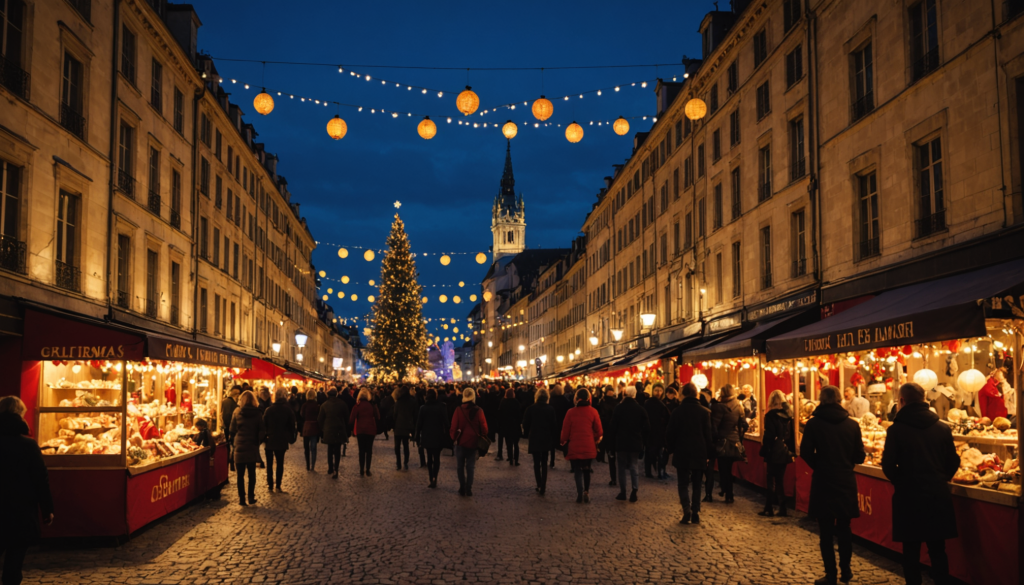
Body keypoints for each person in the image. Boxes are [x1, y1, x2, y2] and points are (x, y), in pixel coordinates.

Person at [882, 383, 961, 585]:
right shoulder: (942, 428)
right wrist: (939, 478)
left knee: (911, 552)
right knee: (938, 550)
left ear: (901, 401)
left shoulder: (896, 430)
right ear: (924, 399)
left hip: (908, 497)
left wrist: (902, 482)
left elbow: (888, 466)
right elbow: (953, 462)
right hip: (936, 495)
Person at [800, 385, 866, 585]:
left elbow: (804, 452)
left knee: (826, 531)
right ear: (839, 400)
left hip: (823, 481)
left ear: (821, 399)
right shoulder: (852, 425)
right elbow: (860, 456)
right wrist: (846, 464)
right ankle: (846, 571)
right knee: (845, 529)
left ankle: (831, 574)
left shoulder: (814, 424)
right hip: (845, 481)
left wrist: (819, 465)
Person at [0, 396, 54, 585]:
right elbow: (41, 479)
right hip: (20, 511)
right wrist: (47, 509)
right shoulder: (28, 446)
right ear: (20, 415)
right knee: (14, 563)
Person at [665, 383, 712, 524]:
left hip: (682, 451)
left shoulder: (677, 412)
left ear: (683, 394)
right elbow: (708, 436)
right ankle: (696, 511)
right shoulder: (704, 412)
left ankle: (686, 509)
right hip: (699, 452)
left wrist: (671, 449)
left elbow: (670, 433)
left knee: (683, 483)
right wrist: (708, 454)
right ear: (696, 394)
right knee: (697, 484)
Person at [560, 388, 603, 504]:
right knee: (587, 470)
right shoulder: (593, 412)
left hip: (575, 446)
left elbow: (565, 432)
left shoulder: (570, 412)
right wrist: (593, 438)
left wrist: (563, 441)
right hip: (589, 446)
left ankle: (579, 492)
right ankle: (586, 491)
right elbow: (599, 431)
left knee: (577, 470)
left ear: (576, 398)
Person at [759, 390, 795, 517]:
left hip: (773, 450)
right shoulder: (788, 415)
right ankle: (782, 508)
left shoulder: (770, 416)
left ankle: (769, 507)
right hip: (784, 450)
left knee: (770, 480)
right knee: (780, 481)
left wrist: (765, 450)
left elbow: (769, 435)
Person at [709, 384, 747, 504]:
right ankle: (727, 491)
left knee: (723, 469)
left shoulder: (720, 407)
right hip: (734, 441)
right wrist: (739, 436)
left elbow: (714, 426)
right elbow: (744, 424)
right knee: (728, 469)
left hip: (723, 441)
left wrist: (715, 438)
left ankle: (728, 493)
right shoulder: (738, 405)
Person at [612, 385, 651, 503]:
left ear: (624, 394)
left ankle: (623, 492)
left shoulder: (619, 408)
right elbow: (647, 428)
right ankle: (634, 489)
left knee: (621, 467)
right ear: (634, 395)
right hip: (635, 441)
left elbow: (612, 426)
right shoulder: (640, 409)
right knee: (634, 466)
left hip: (621, 442)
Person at [230, 390, 266, 506]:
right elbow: (262, 430)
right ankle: (251, 497)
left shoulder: (237, 412)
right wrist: (258, 441)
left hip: (240, 446)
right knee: (251, 474)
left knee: (240, 475)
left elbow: (232, 429)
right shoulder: (257, 413)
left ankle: (241, 499)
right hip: (252, 446)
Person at [450, 387, 489, 496]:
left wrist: (454, 438)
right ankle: (469, 488)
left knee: (460, 466)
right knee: (470, 466)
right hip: (473, 442)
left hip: (461, 442)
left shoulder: (458, 410)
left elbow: (453, 426)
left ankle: (462, 487)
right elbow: (485, 429)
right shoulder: (479, 411)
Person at [522, 388, 557, 495]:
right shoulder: (550, 409)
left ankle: (539, 484)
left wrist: (527, 433)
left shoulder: (531, 409)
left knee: (536, 463)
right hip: (546, 438)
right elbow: (554, 425)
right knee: (544, 462)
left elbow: (525, 424)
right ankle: (543, 484)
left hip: (535, 437)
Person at [263, 388, 296, 492]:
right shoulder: (287, 410)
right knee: (280, 462)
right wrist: (291, 437)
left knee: (269, 463)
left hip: (270, 439)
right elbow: (292, 425)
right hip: (282, 439)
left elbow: (264, 424)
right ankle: (278, 485)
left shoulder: (269, 410)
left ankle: (270, 484)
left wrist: (265, 437)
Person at [415, 388, 450, 488]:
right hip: (438, 435)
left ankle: (431, 478)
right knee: (437, 458)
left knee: (429, 458)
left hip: (427, 436)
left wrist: (417, 436)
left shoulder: (423, 408)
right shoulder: (442, 406)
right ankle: (435, 476)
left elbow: (419, 424)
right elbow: (446, 422)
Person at [318, 388, 350, 479]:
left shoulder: (324, 405)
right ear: (336, 395)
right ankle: (336, 468)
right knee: (337, 450)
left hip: (328, 430)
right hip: (339, 430)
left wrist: (322, 430)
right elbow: (347, 418)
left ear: (328, 395)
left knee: (330, 449)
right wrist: (347, 430)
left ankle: (330, 468)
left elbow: (320, 419)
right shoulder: (342, 404)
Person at [349, 388, 380, 477]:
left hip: (360, 430)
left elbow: (351, 419)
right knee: (369, 450)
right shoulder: (372, 405)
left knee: (361, 450)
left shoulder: (357, 406)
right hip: (371, 430)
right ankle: (368, 469)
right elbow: (378, 417)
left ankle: (361, 469)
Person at [643, 383, 671, 480]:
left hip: (659, 433)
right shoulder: (648, 403)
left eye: (660, 390)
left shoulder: (662, 404)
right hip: (652, 432)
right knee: (652, 453)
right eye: (656, 390)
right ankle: (650, 472)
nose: (658, 392)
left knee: (659, 453)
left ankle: (659, 472)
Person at [392, 386, 419, 471]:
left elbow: (394, 415)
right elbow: (415, 415)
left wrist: (393, 425)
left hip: (398, 427)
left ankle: (398, 463)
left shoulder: (398, 402)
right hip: (407, 426)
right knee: (405, 446)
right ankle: (405, 462)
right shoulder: (412, 402)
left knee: (397, 446)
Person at [598, 385, 620, 486]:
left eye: (612, 390)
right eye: (609, 391)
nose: (611, 392)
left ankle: (615, 478)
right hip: (609, 432)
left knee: (613, 457)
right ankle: (614, 478)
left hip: (611, 432)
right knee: (611, 456)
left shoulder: (614, 402)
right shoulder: (604, 403)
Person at [498, 388, 523, 466]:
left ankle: (510, 459)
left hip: (506, 425)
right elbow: (520, 414)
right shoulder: (516, 402)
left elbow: (500, 414)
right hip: (515, 425)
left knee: (509, 443)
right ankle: (516, 460)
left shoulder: (503, 402)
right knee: (516, 444)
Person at [549, 384, 571, 468]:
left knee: (553, 443)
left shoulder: (551, 400)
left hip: (554, 423)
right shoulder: (564, 400)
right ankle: (567, 456)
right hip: (562, 422)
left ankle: (552, 461)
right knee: (564, 441)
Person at [300, 390, 321, 472]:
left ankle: (308, 465)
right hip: (314, 427)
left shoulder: (304, 405)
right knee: (313, 447)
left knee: (306, 448)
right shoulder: (317, 405)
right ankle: (313, 465)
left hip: (306, 427)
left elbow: (302, 415)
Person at [221, 386, 240, 471]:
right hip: (230, 427)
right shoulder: (232, 403)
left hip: (226, 427)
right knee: (233, 445)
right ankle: (231, 462)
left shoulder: (225, 401)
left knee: (229, 446)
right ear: (236, 395)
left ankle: (229, 462)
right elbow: (228, 416)